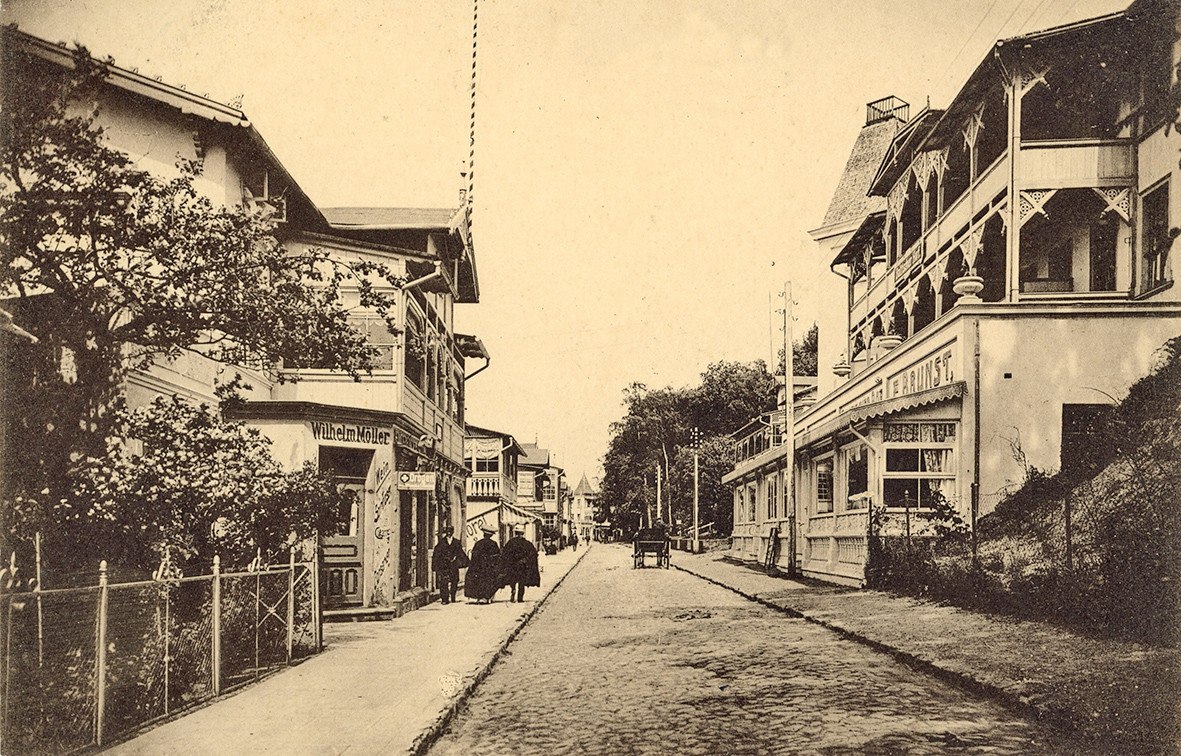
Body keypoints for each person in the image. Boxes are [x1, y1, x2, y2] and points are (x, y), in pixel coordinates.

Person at [500, 525, 540, 603]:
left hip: (513, 566)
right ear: (523, 533)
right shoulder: (527, 543)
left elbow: (505, 553)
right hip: (522, 566)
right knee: (522, 582)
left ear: (515, 533)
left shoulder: (511, 542)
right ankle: (520, 598)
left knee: (513, 580)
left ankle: (513, 590)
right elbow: (534, 554)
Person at [464, 525, 501, 604]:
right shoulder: (493, 543)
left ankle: (480, 597)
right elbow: (497, 556)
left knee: (480, 581)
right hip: (489, 567)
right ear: (491, 535)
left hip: (479, 567)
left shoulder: (478, 543)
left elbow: (474, 556)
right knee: (489, 581)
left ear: (484, 534)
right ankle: (487, 597)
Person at [432, 525, 468, 605]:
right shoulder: (441, 542)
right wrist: (436, 565)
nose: (449, 533)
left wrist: (463, 561)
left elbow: (460, 553)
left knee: (455, 581)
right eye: (447, 531)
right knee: (444, 582)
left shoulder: (456, 542)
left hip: (453, 565)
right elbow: (437, 553)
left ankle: (453, 596)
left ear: (453, 532)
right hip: (444, 565)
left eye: (450, 531)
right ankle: (445, 599)